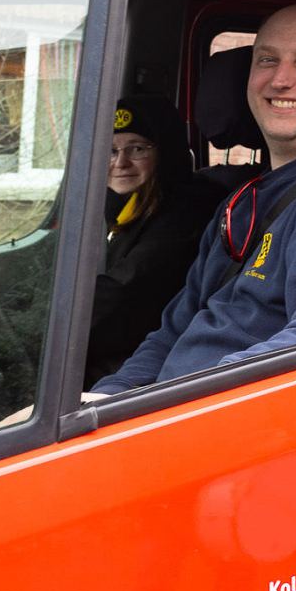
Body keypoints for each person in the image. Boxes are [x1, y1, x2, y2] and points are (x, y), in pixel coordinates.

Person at [89, 4, 296, 394]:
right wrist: (106, 398)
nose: (281, 79)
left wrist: (173, 407)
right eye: (267, 60)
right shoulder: (243, 200)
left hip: (230, 414)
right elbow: (173, 332)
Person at [84, 96, 217, 387]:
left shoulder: (187, 212)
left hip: (146, 367)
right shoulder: (118, 203)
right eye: (111, 150)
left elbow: (122, 292)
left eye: (137, 149)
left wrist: (43, 328)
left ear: (165, 153)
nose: (120, 163)